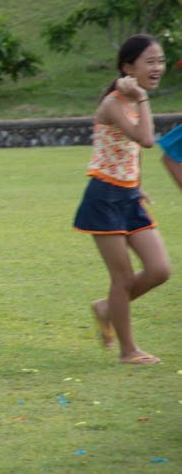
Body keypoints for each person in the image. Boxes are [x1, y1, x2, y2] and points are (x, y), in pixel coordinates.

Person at [73, 35, 171, 365]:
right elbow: (145, 139)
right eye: (150, 62)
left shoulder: (134, 100)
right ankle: (128, 351)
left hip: (128, 196)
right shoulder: (116, 102)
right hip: (103, 197)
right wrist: (142, 98)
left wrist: (137, 184)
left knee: (159, 270)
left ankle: (106, 307)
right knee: (123, 279)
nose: (158, 68)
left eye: (161, 61)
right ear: (128, 68)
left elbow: (132, 152)